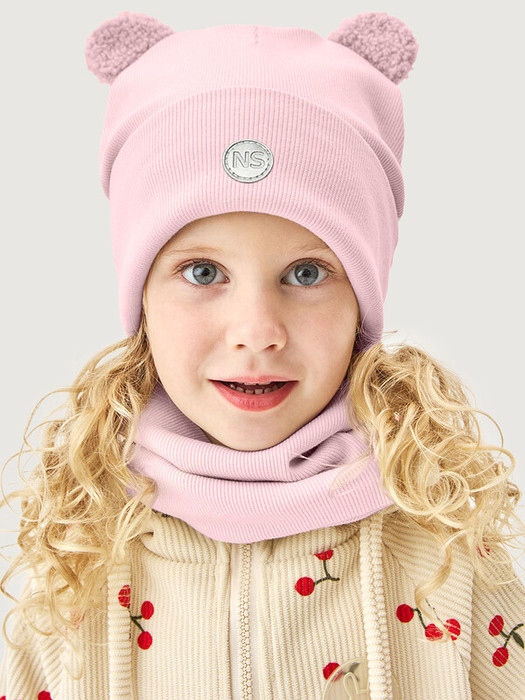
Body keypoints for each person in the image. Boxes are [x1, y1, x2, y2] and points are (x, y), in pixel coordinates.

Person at [1, 10, 524, 700]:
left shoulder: (448, 552)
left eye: (306, 273)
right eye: (203, 273)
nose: (256, 332)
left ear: (363, 300)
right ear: (141, 298)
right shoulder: (75, 561)